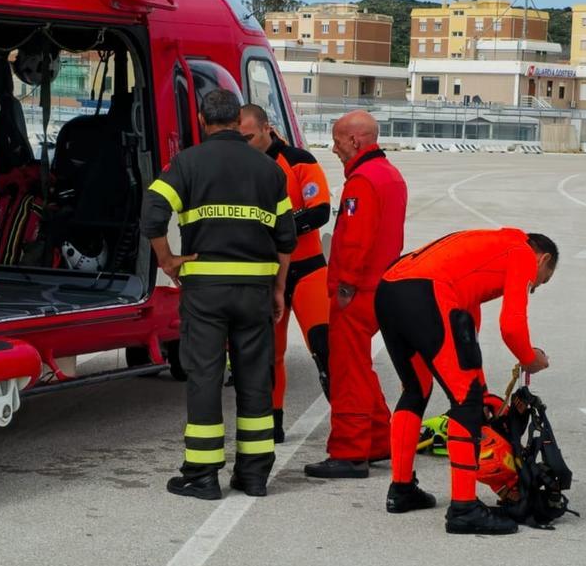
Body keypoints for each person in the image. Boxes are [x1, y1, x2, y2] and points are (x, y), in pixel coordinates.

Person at [141, 88, 297, 500]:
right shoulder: (269, 170)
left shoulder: (188, 163)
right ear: (236, 122)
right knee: (254, 379)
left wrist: (167, 260)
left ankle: (203, 474)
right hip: (255, 290)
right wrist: (279, 288)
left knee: (206, 376)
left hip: (206, 290)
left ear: (203, 120)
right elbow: (286, 236)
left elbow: (153, 211)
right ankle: (254, 474)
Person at [374, 228, 557, 535]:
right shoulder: (522, 253)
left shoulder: (486, 246)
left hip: (390, 288)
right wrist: (530, 359)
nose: (534, 287)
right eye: (542, 280)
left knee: (416, 389)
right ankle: (463, 509)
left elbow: (464, 329)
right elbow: (511, 326)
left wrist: (482, 388)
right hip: (426, 294)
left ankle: (402, 489)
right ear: (543, 258)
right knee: (465, 404)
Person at [304, 111, 407, 480]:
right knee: (360, 369)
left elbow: (355, 241)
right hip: (381, 287)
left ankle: (349, 452)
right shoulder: (391, 175)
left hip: (357, 292)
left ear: (354, 141)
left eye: (336, 141)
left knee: (347, 373)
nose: (333, 149)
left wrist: (344, 287)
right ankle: (379, 439)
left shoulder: (363, 181)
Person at [239, 104, 332, 442]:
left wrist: (279, 227)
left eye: (248, 136)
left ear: (267, 128)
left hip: (307, 270)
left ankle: (352, 428)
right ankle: (272, 424)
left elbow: (320, 211)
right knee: (268, 355)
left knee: (326, 350)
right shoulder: (238, 166)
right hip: (265, 272)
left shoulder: (299, 160)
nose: (243, 142)